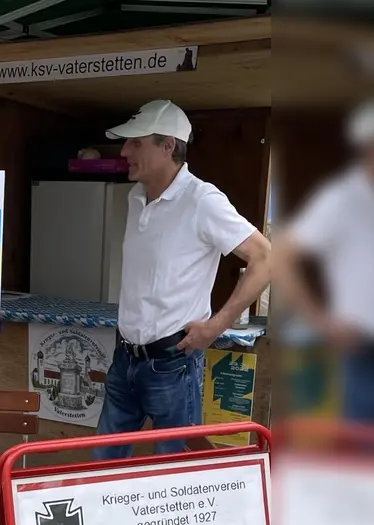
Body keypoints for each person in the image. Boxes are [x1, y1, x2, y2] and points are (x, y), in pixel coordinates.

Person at [92, 100, 271, 460]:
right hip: (125, 357)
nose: (125, 151)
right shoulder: (134, 196)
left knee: (176, 474)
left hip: (173, 362)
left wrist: (215, 326)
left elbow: (265, 257)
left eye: (136, 143)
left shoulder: (202, 199)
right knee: (101, 465)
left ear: (168, 146)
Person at [273, 99, 374, 426]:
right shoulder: (341, 200)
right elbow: (281, 254)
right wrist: (320, 320)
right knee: (368, 462)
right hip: (368, 353)